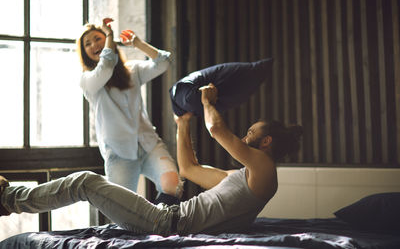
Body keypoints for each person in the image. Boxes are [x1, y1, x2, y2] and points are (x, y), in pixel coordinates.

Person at [0, 83, 303, 235]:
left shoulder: (265, 169)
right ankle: (9, 199)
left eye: (251, 132)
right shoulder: (238, 178)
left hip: (165, 222)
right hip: (164, 215)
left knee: (85, 182)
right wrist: (182, 124)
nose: (245, 135)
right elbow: (188, 169)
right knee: (87, 184)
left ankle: (9, 199)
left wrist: (208, 101)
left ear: (267, 141)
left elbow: (217, 128)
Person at [76, 17, 182, 205]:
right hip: (119, 153)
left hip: (149, 144)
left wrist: (138, 43)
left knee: (173, 186)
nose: (94, 44)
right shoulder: (88, 81)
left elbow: (163, 62)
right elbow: (107, 66)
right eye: (87, 43)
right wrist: (109, 34)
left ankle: (159, 226)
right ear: (84, 53)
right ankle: (145, 229)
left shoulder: (132, 69)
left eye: (98, 38)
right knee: (122, 209)